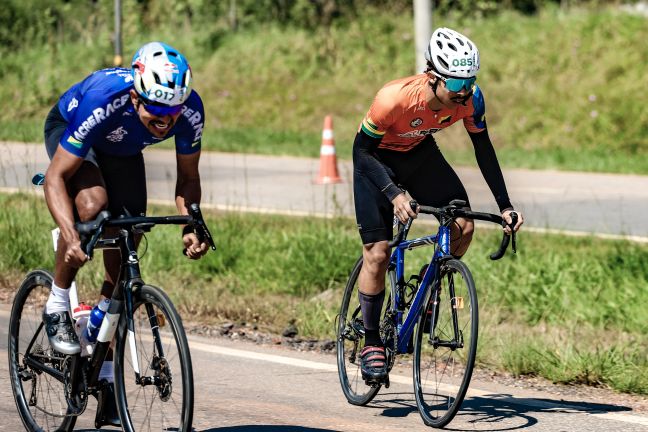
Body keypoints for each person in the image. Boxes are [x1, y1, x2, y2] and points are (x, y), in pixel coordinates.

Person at [42, 41, 209, 427]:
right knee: (92, 207)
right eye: (157, 109)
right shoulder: (105, 98)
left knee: (130, 232)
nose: (166, 120)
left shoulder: (190, 111)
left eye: (173, 110)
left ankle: (102, 366)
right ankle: (56, 302)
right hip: (74, 133)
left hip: (123, 149)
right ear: (136, 94)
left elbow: (189, 178)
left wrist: (191, 223)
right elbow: (56, 177)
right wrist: (70, 234)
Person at [352, 27, 524, 384]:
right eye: (457, 85)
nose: (465, 93)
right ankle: (371, 342)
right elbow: (360, 151)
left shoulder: (471, 100)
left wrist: (505, 205)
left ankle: (429, 296)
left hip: (418, 154)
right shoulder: (394, 99)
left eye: (471, 82)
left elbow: (484, 149)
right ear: (433, 77)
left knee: (463, 226)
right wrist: (394, 194)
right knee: (379, 253)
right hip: (377, 160)